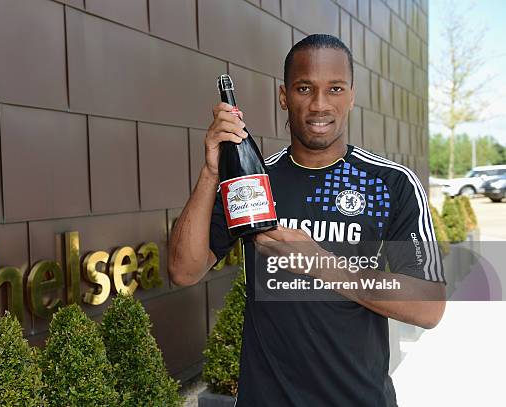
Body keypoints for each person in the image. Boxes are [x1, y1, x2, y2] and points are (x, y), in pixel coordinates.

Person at [168, 34, 446, 406]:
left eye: (334, 89)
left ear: (351, 96)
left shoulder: (391, 183)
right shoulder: (254, 183)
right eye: (304, 88)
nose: (319, 105)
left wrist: (319, 264)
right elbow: (184, 270)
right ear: (284, 96)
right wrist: (210, 173)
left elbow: (428, 307)